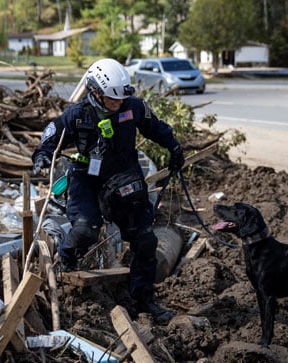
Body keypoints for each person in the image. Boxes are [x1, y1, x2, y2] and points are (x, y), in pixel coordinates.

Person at [31, 58, 184, 324]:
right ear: (95, 92)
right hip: (87, 179)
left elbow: (155, 128)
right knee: (84, 230)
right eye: (113, 100)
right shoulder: (77, 116)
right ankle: (65, 262)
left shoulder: (132, 108)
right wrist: (42, 156)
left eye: (121, 100)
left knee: (145, 240)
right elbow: (50, 137)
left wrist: (174, 147)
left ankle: (143, 300)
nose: (118, 104)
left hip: (124, 177)